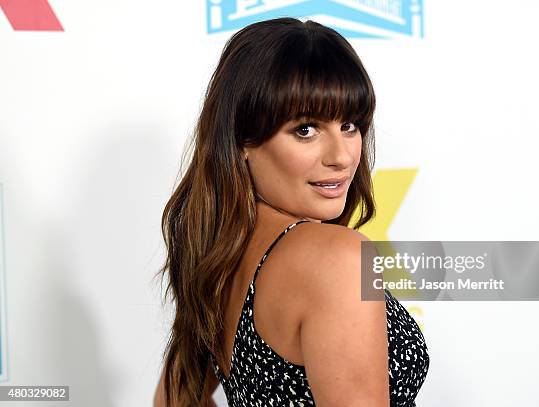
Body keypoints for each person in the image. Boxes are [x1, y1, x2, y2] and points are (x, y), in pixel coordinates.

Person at [154, 17, 429, 406]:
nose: (342, 157)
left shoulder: (214, 254)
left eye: (349, 125)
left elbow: (173, 400)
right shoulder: (338, 258)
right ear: (241, 139)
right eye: (306, 129)